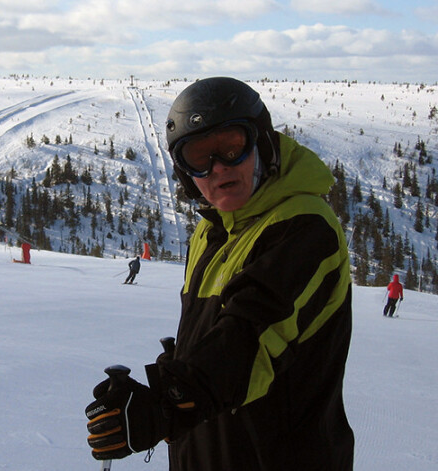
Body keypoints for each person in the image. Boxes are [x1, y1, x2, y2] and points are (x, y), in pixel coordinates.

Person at [86, 77, 354, 470]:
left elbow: (251, 339)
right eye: (199, 157)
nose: (218, 169)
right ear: (184, 172)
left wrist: (167, 404)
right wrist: (166, 379)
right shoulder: (212, 232)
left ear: (261, 143)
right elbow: (213, 339)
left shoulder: (305, 228)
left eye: (232, 147)